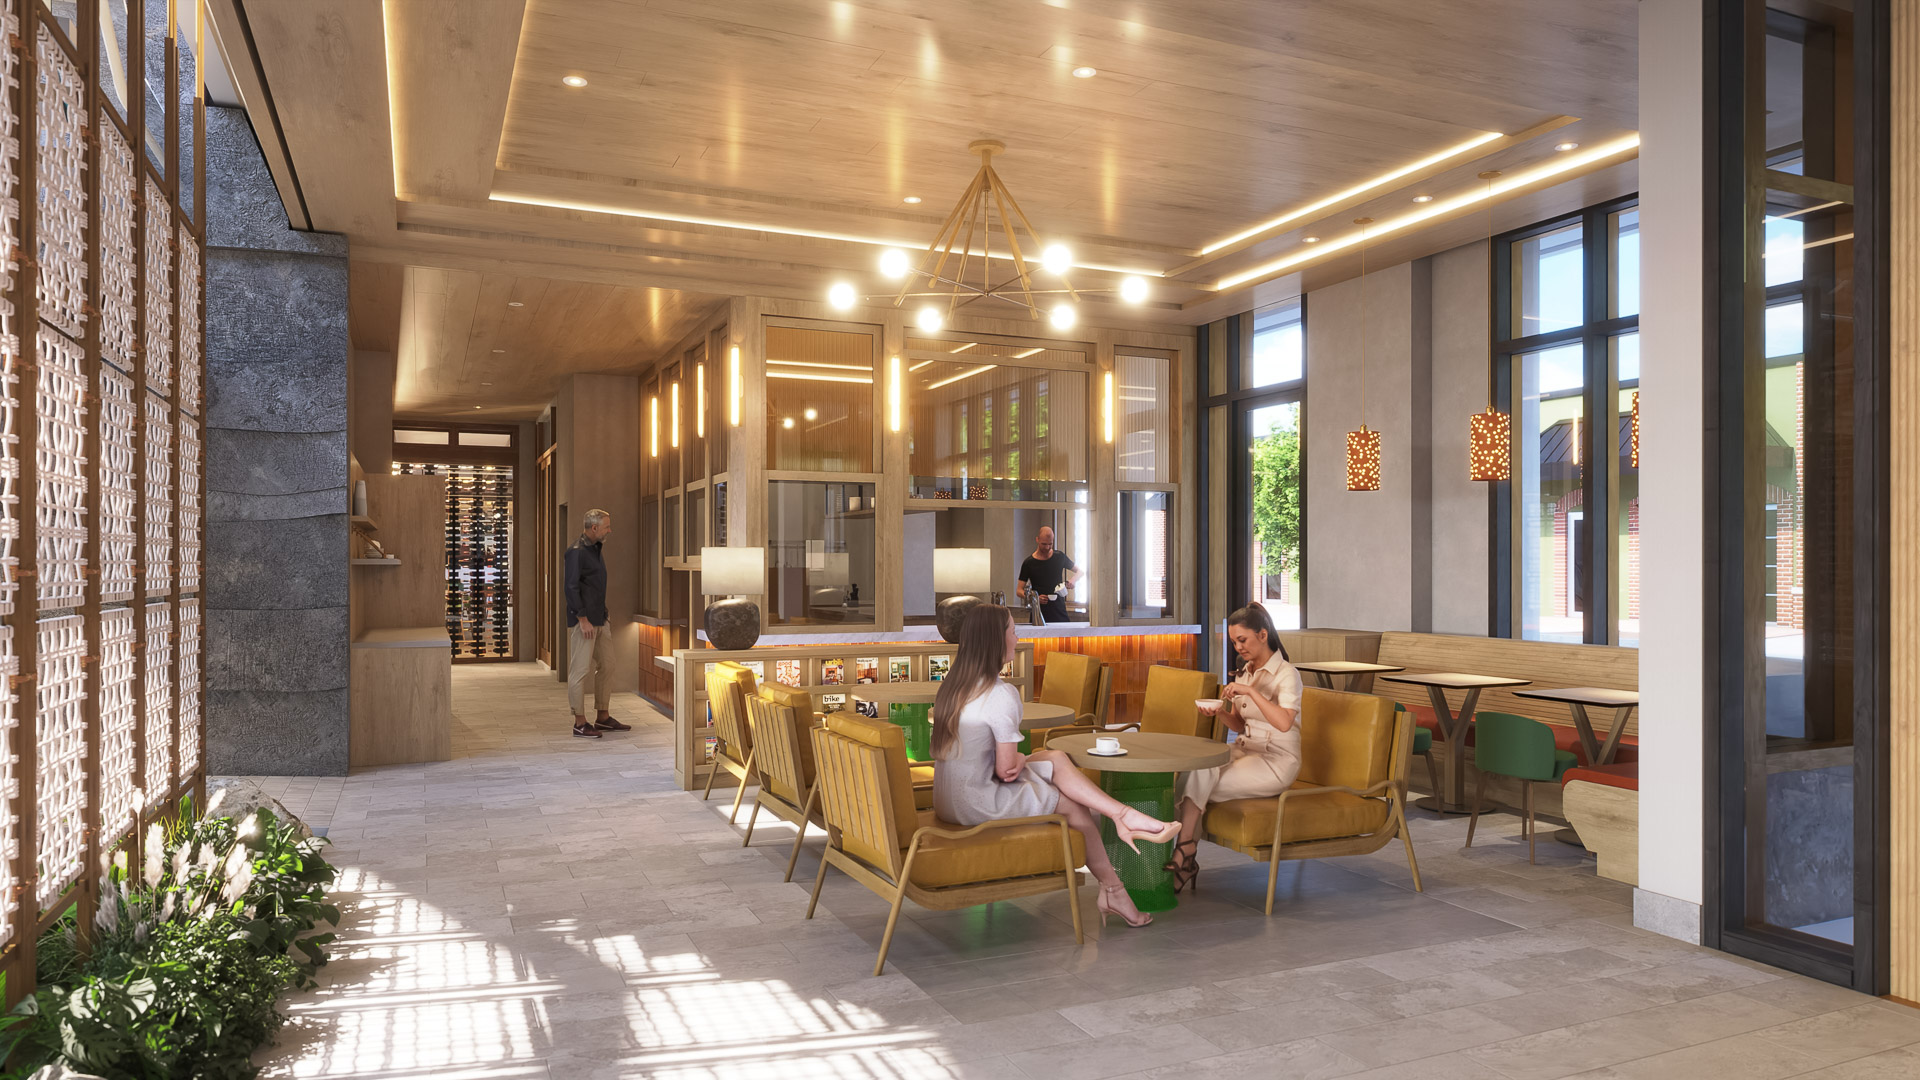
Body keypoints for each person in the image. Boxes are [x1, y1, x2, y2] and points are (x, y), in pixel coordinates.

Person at [931, 604, 1179, 928]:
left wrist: (1025, 760)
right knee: (1074, 809)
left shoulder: (952, 686)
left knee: (1055, 758)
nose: (1016, 636)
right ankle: (1114, 888)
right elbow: (1007, 771)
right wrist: (1021, 759)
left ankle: (1123, 816)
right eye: (1012, 630)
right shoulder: (1000, 694)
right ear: (996, 639)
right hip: (977, 803)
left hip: (948, 799)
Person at [1166, 602, 1302, 893]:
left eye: (1243, 640)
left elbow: (1284, 723)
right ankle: (1186, 853)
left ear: (1263, 635)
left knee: (1195, 787)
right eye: (1234, 642)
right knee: (1199, 765)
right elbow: (1240, 726)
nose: (1238, 647)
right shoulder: (1246, 670)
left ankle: (1185, 853)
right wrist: (1221, 714)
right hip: (1246, 750)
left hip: (1276, 762)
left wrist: (1250, 690)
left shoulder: (1287, 674)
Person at [564, 508, 630, 739]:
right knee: (580, 671)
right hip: (585, 623)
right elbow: (570, 588)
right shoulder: (576, 552)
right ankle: (579, 722)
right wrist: (582, 619)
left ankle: (602, 717)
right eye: (606, 527)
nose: (609, 530)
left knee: (608, 665)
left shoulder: (595, 550)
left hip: (601, 619)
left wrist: (602, 616)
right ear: (594, 528)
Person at [1016, 526, 1081, 624]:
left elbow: (1080, 571)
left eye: (1050, 544)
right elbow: (1019, 591)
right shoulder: (1028, 563)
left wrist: (1073, 581)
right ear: (1037, 540)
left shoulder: (1059, 557)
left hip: (1060, 612)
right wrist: (1034, 598)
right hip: (1038, 613)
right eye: (1044, 544)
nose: (1047, 547)